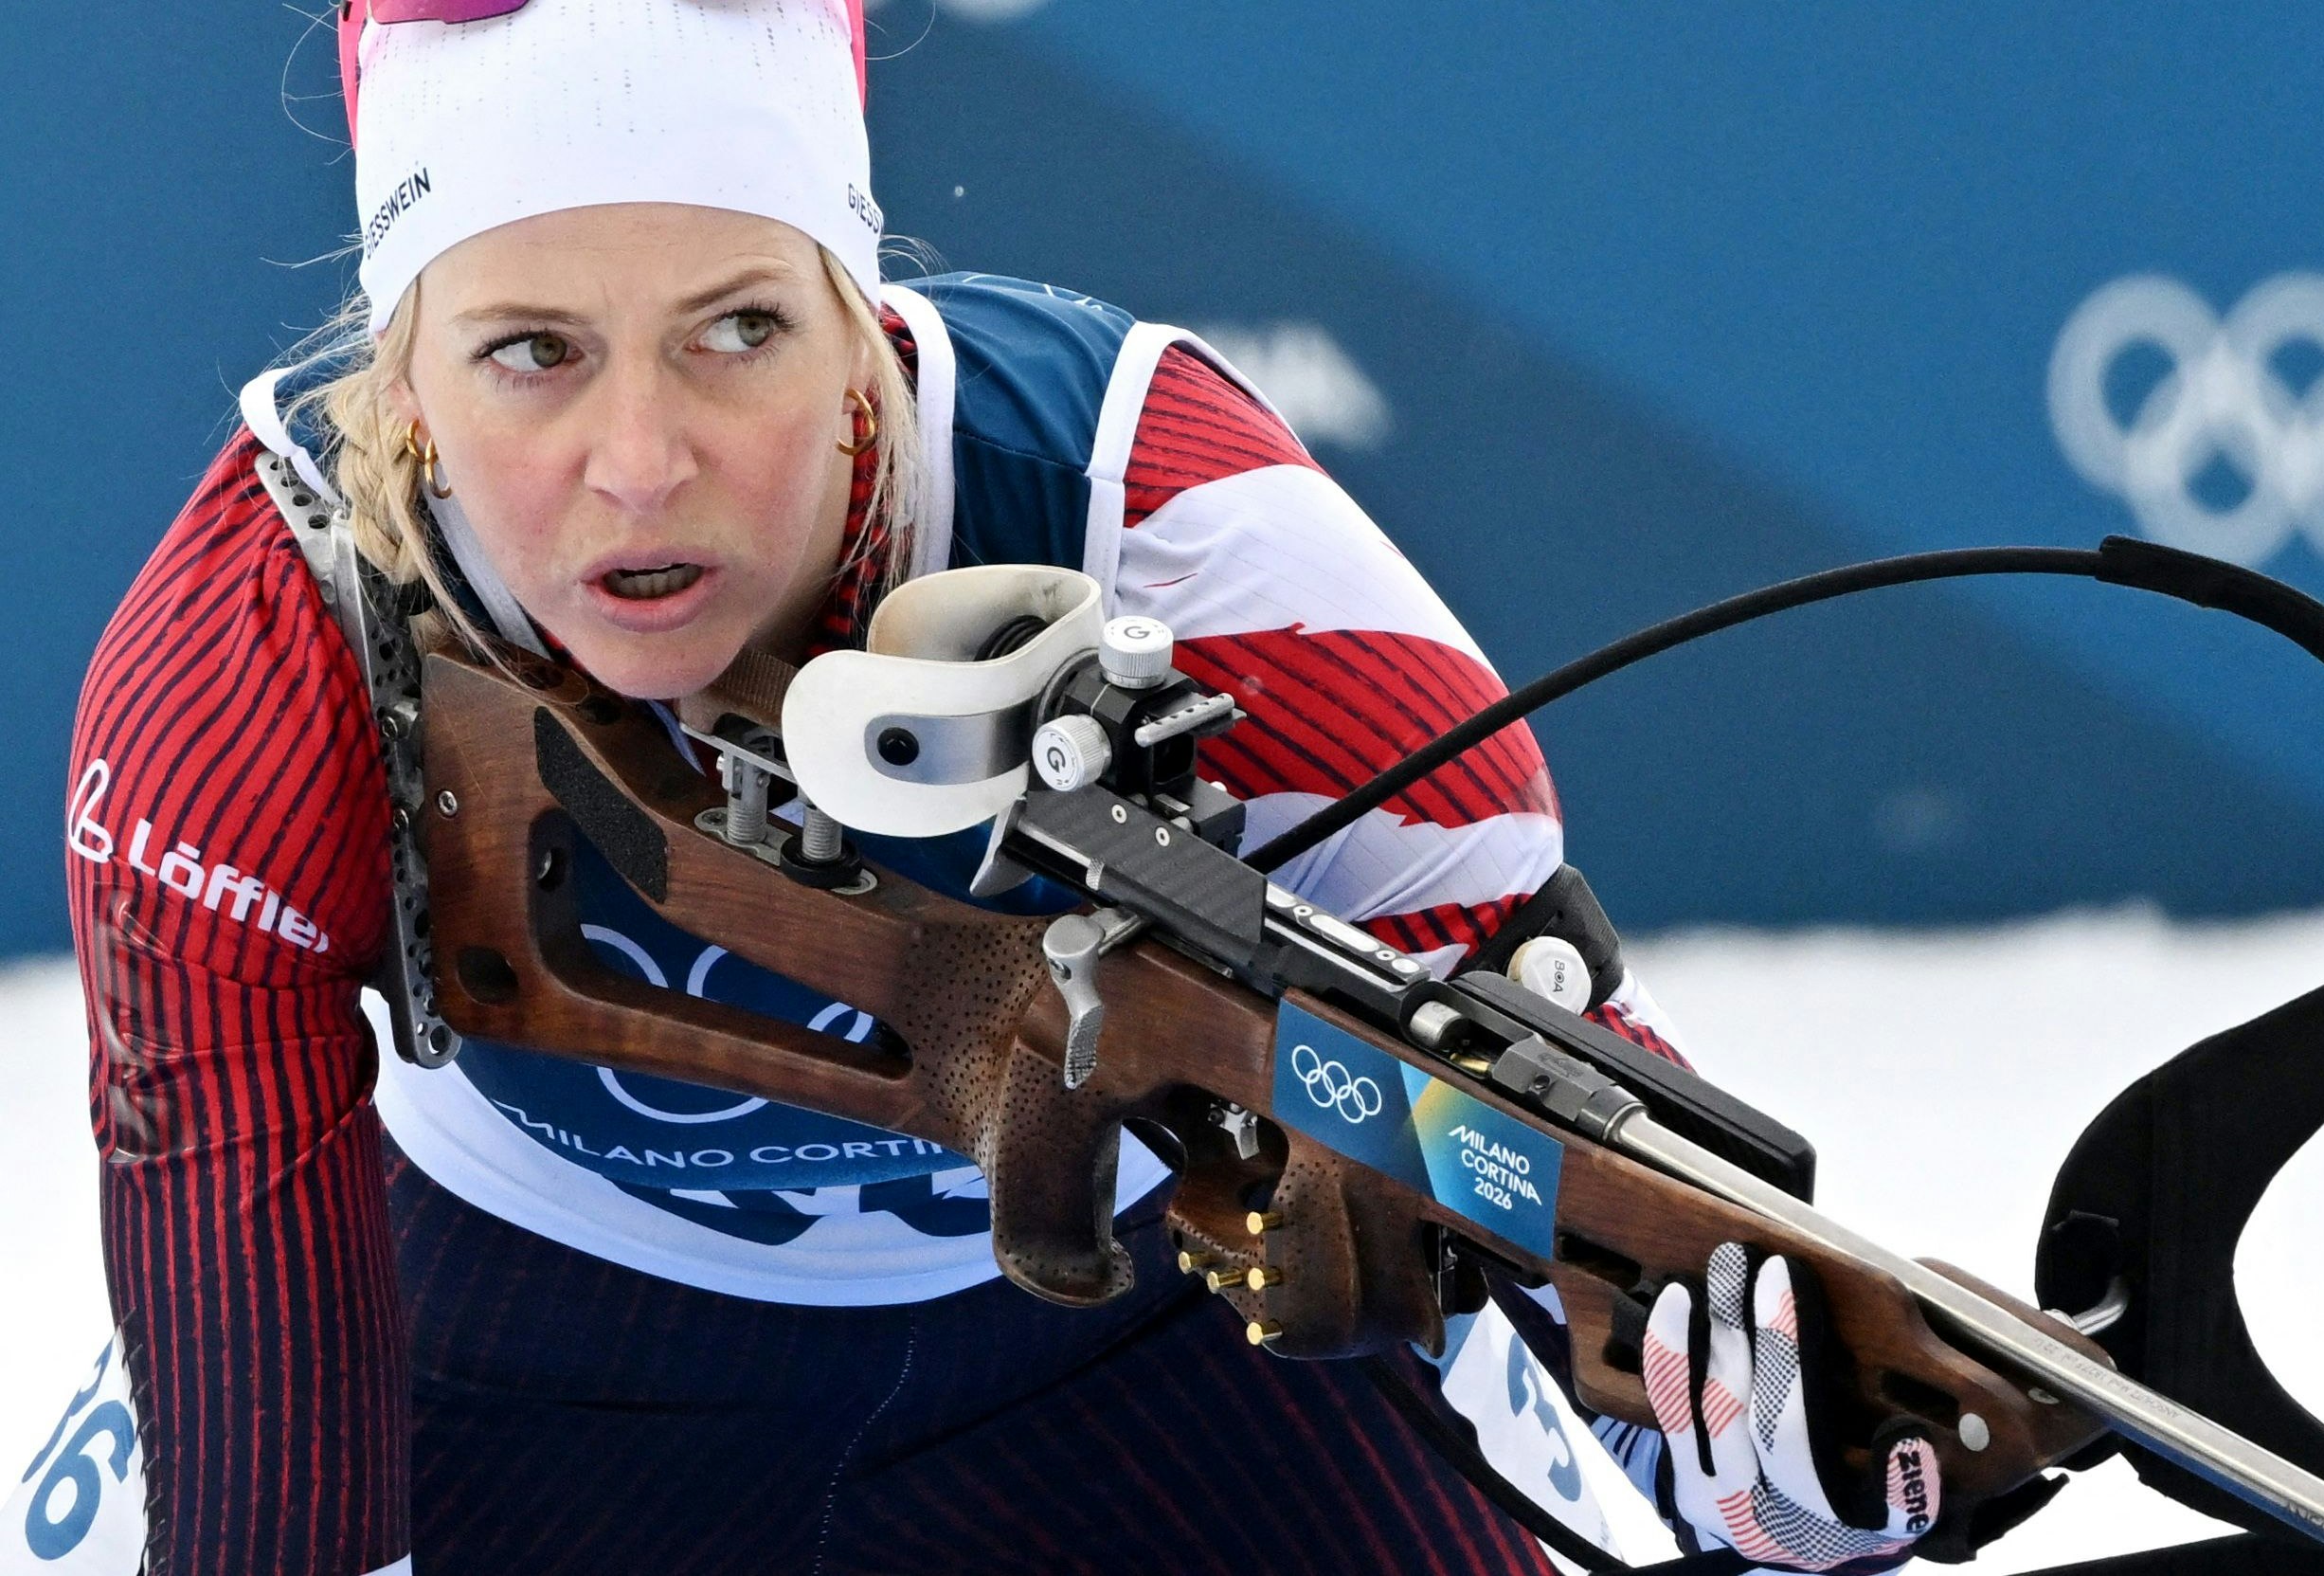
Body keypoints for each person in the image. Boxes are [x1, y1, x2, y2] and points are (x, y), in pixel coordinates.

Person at [45, 3, 1942, 1571]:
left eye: (737, 330)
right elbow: (262, 1496)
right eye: (530, 353)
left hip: (1158, 1338)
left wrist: (1783, 1472)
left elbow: (1549, 1151)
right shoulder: (247, 662)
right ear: (404, 389)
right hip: (514, 1330)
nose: (639, 461)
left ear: (860, 331)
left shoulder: (1192, 543)